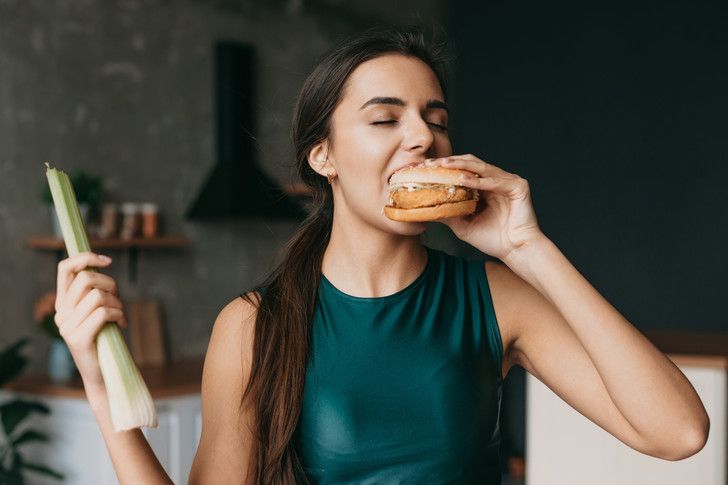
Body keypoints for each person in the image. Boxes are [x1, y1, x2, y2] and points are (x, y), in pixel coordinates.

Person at [53, 27, 709, 485]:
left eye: (435, 117)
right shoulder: (254, 325)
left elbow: (679, 431)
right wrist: (98, 379)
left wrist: (528, 247)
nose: (423, 135)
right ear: (324, 155)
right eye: (385, 117)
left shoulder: (495, 296)